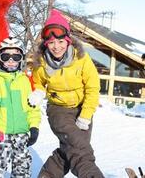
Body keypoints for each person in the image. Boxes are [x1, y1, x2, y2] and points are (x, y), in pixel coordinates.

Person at [28, 9, 105, 178]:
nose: (57, 47)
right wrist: (39, 92)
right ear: (46, 43)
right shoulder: (40, 62)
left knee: (69, 149)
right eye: (52, 43)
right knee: (81, 151)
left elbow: (92, 88)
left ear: (68, 40)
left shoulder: (81, 59)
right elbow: (38, 82)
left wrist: (85, 115)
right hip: (58, 110)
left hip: (82, 108)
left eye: (61, 41)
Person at [0, 37, 41, 178]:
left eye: (16, 56)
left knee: (22, 164)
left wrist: (34, 126)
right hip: (1, 132)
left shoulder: (25, 81)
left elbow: (33, 106)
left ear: (22, 59)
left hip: (22, 132)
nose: (11, 60)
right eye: (6, 56)